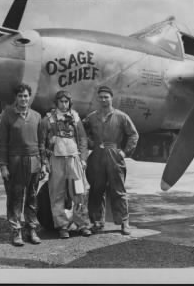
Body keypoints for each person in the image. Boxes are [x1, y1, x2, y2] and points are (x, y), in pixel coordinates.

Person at [84, 86, 139, 235]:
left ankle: (124, 222)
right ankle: (96, 222)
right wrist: (91, 144)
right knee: (96, 190)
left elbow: (133, 135)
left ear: (111, 98)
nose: (103, 99)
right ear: (97, 99)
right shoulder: (91, 117)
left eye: (106, 97)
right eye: (100, 97)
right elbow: (81, 133)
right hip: (97, 157)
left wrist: (124, 152)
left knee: (118, 190)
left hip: (114, 156)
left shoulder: (121, 116)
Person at [40, 90, 92, 239]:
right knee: (57, 193)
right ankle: (62, 226)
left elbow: (82, 139)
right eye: (61, 102)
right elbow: (42, 143)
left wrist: (83, 159)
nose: (64, 104)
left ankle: (83, 224)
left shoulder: (75, 117)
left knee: (79, 191)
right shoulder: (48, 119)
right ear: (56, 103)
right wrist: (45, 162)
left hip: (73, 158)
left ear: (70, 102)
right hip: (56, 159)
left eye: (66, 101)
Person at [0, 83, 42, 246]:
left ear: (30, 97)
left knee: (32, 198)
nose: (24, 99)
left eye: (26, 96)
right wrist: (3, 165)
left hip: (34, 161)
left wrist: (42, 163)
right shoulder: (7, 115)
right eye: (20, 96)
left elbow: (41, 142)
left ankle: (31, 229)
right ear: (16, 98)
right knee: (15, 198)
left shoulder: (37, 116)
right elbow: (2, 143)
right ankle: (16, 232)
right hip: (14, 161)